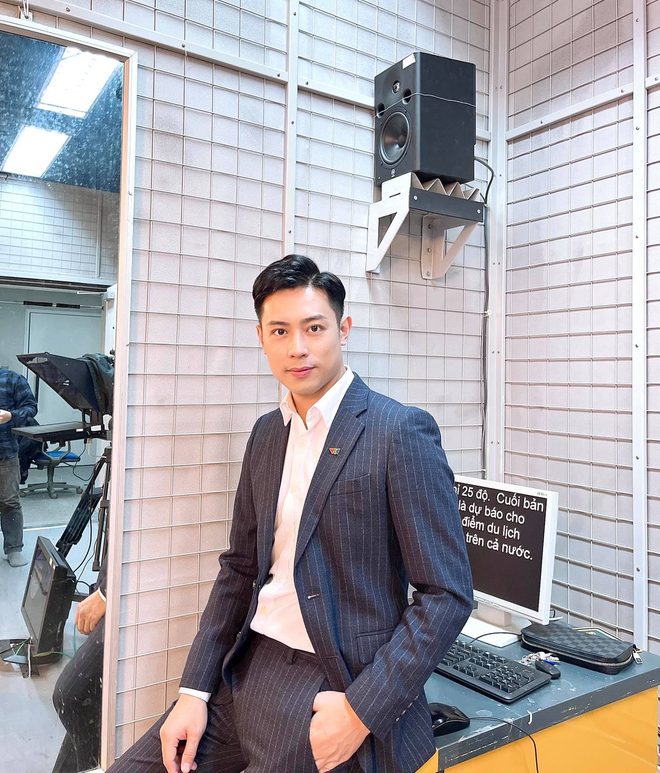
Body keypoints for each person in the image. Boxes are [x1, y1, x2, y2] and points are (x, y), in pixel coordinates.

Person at [108, 254, 472, 773]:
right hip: (245, 667)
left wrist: (360, 711)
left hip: (333, 681)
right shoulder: (266, 434)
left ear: (343, 330)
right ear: (262, 338)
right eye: (279, 331)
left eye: (314, 328)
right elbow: (239, 568)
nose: (297, 347)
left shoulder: (399, 431)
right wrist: (194, 690)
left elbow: (446, 594)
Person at [51, 558, 107, 773]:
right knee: (86, 706)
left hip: (132, 592)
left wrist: (106, 592)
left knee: (72, 695)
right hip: (115, 577)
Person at [0, 364, 37, 567]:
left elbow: (31, 408)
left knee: (9, 502)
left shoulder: (12, 379)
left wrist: (11, 416)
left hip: (6, 454)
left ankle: (14, 549)